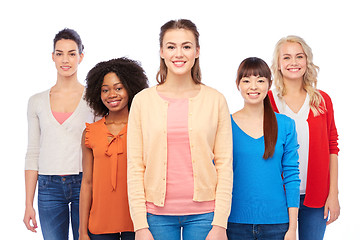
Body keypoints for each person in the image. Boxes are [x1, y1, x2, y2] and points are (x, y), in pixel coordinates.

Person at [127, 19, 233, 240]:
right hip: (155, 216)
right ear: (161, 52)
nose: (179, 53)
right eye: (171, 46)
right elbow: (135, 166)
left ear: (197, 51)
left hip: (205, 215)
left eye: (186, 46)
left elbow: (225, 165)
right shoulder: (142, 101)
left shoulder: (216, 100)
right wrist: (140, 225)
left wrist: (220, 222)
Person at [23, 28, 94, 240]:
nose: (66, 59)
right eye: (60, 53)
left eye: (72, 53)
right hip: (48, 187)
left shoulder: (93, 98)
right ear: (53, 57)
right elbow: (33, 152)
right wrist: (28, 203)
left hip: (85, 182)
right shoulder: (36, 101)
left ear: (81, 56)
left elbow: (100, 148)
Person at [269, 35, 340, 240]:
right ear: (278, 64)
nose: (293, 62)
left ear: (307, 61)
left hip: (316, 196)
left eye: (299, 56)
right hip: (278, 195)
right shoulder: (268, 100)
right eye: (287, 57)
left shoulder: (321, 100)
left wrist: (333, 194)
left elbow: (332, 148)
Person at [227, 57, 300, 240]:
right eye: (246, 80)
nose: (253, 86)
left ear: (269, 84)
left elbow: (291, 177)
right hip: (233, 223)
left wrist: (292, 228)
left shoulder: (285, 125)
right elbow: (216, 176)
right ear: (237, 84)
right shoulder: (225, 124)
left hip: (277, 224)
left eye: (260, 80)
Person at [79, 58, 148, 240]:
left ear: (130, 89)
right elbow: (87, 183)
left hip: (137, 223)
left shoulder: (142, 128)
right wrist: (82, 231)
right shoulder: (90, 132)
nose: (112, 94)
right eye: (105, 90)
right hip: (100, 224)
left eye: (118, 88)